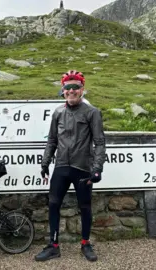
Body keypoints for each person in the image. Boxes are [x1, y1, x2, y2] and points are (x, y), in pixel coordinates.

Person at [35, 70, 106, 262]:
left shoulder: (92, 113)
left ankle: (85, 244)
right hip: (61, 167)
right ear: (63, 90)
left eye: (76, 87)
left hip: (82, 168)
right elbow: (51, 141)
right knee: (53, 204)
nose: (72, 90)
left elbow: (99, 143)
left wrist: (97, 168)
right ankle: (54, 246)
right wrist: (45, 163)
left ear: (82, 89)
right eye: (68, 87)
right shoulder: (58, 112)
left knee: (85, 206)